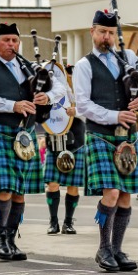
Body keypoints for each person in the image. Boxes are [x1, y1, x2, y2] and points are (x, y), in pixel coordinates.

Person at [73, 10, 138, 272]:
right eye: (102, 32)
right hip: (100, 134)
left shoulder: (129, 58)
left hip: (128, 136)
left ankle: (118, 249)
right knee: (110, 193)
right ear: (92, 32)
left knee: (125, 196)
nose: (107, 37)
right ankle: (103, 248)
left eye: (111, 33)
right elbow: (83, 105)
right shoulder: (84, 66)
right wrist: (114, 115)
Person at [0, 22, 62, 259]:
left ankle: (11, 240)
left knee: (19, 192)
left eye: (14, 40)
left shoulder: (28, 67)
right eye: (6, 40)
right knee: (4, 189)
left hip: (24, 134)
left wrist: (47, 96)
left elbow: (61, 88)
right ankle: (0, 240)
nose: (11, 44)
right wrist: (13, 105)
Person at [42, 58, 85, 235]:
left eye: (70, 73)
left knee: (73, 186)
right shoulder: (50, 89)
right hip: (53, 135)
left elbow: (91, 110)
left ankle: (68, 222)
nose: (69, 76)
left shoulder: (81, 92)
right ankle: (53, 222)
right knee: (52, 184)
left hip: (76, 139)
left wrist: (77, 110)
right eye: (66, 72)